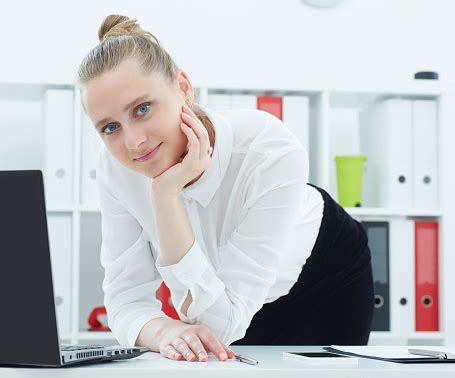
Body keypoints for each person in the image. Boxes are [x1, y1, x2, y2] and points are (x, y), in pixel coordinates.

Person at [77, 14, 374, 363]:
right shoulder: (115, 169)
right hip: (224, 303)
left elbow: (222, 327)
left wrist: (164, 196)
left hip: (323, 279)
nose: (134, 141)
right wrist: (164, 330)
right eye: (110, 128)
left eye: (142, 109)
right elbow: (126, 298)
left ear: (184, 88)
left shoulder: (268, 148)